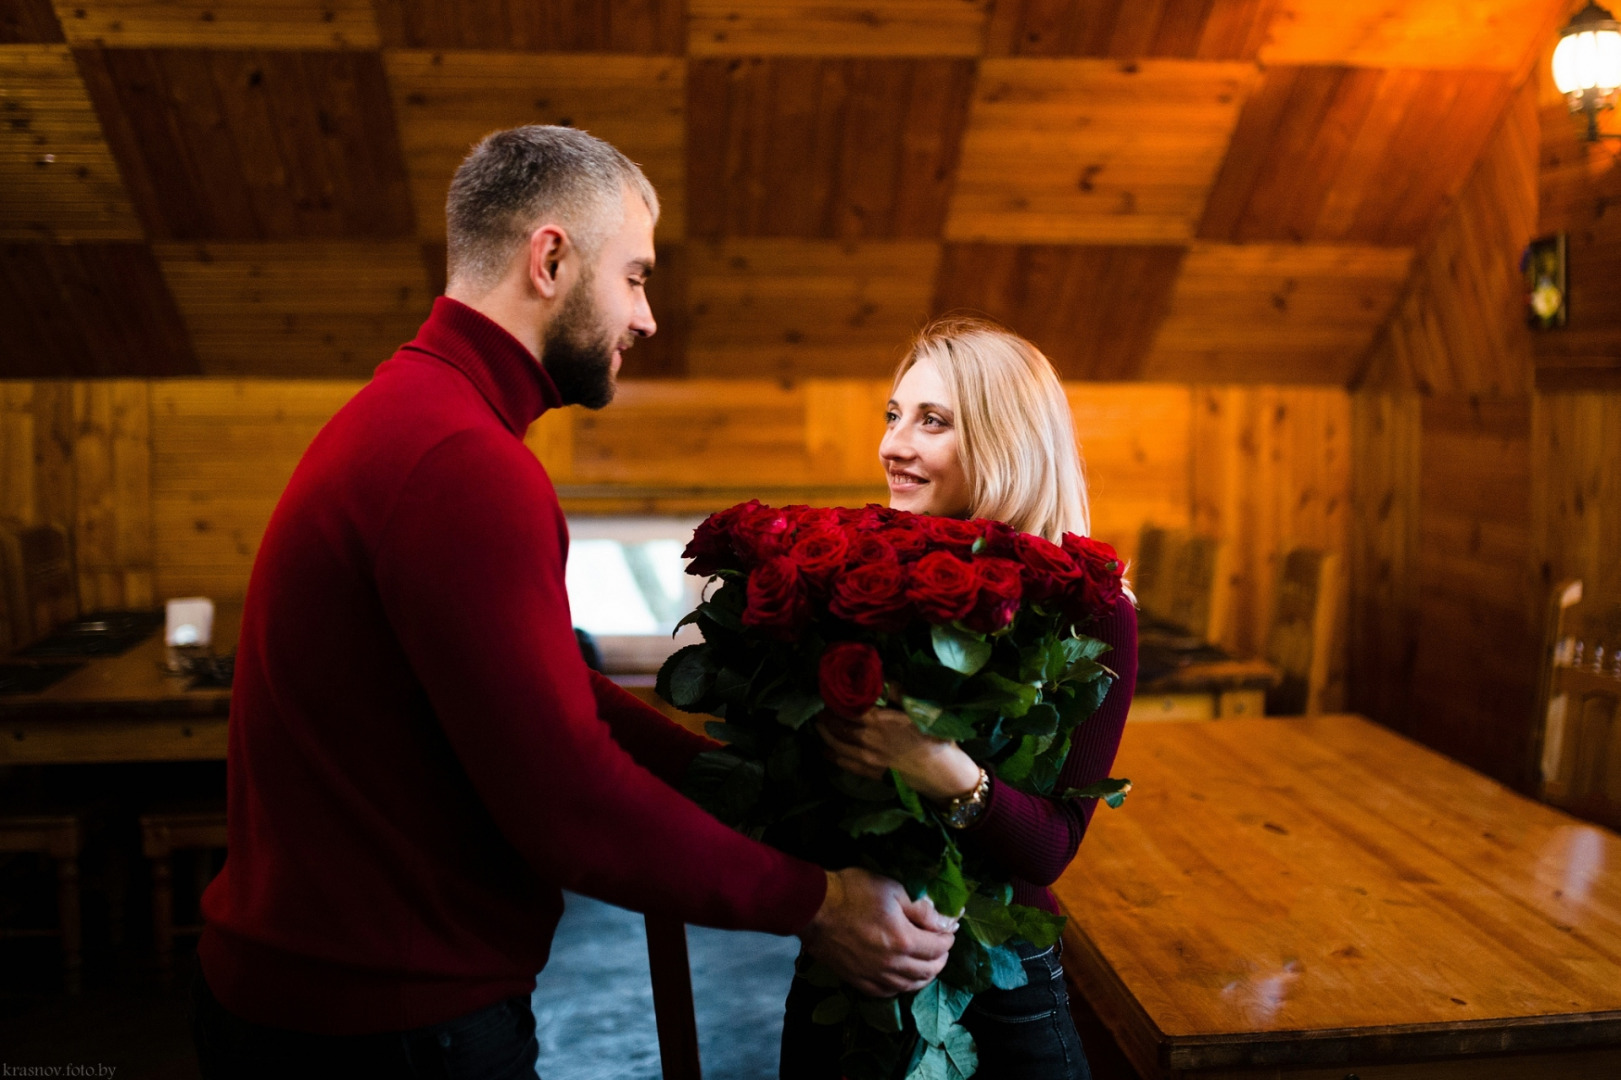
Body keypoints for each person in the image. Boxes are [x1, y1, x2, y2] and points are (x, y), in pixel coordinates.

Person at [191, 125, 955, 1079]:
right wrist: (819, 904)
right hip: (379, 1024)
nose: (647, 318)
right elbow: (567, 803)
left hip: (326, 996)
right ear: (550, 258)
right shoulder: (462, 465)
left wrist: (727, 783)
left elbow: (552, 694)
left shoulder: (418, 415)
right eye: (634, 277)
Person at [780, 319, 1139, 1080]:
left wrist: (936, 766)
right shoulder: (859, 583)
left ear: (1004, 441)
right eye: (893, 414)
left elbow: (1049, 850)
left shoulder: (1094, 612)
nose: (892, 444)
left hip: (1002, 981)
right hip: (852, 971)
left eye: (931, 421)